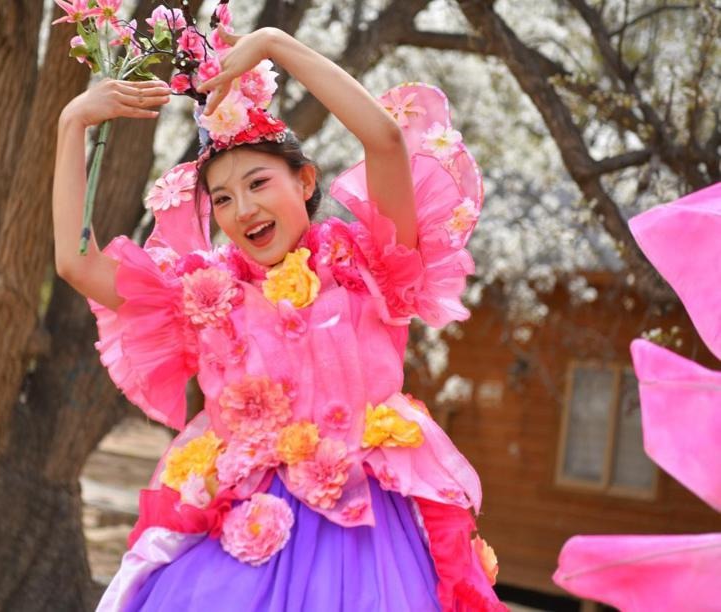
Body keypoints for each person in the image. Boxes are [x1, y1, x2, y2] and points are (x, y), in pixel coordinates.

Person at [54, 16, 503, 612]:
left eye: (258, 182)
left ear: (305, 179)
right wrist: (72, 123)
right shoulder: (205, 295)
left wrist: (273, 45)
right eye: (222, 199)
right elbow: (76, 263)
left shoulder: (368, 265)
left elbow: (386, 140)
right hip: (242, 525)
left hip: (369, 528)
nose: (243, 209)